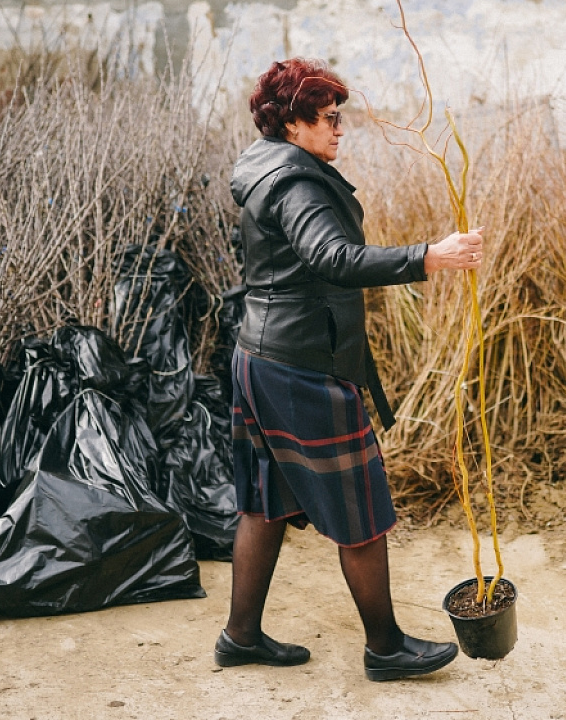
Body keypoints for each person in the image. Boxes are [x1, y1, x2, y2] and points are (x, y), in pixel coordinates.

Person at [216, 58, 485, 682]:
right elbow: (332, 258)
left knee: (265, 502)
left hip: (258, 356)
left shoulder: (261, 165)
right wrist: (430, 256)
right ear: (292, 123)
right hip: (301, 365)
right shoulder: (298, 182)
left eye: (340, 116)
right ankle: (386, 647)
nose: (340, 129)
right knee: (358, 505)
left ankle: (241, 635)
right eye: (328, 118)